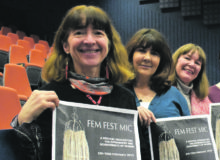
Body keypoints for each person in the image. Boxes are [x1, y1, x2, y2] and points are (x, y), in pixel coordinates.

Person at [10, 5, 149, 160]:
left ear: (109, 45)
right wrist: (21, 122)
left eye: (98, 33)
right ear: (66, 46)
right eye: (79, 33)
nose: (89, 40)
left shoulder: (126, 99)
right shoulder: (49, 97)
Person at [124, 28, 190, 127]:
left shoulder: (175, 95)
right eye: (141, 51)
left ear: (161, 61)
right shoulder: (117, 92)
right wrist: (132, 112)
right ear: (131, 55)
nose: (147, 58)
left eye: (154, 53)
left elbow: (189, 134)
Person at [170, 43, 211, 115]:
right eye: (187, 58)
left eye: (197, 63)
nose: (192, 64)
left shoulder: (203, 98)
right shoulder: (160, 89)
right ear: (176, 60)